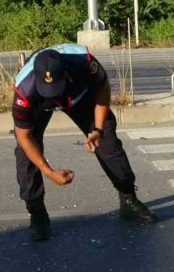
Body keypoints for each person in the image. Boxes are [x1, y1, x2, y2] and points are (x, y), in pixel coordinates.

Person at [12, 43, 157, 241]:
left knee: (107, 138)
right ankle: (37, 214)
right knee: (25, 155)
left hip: (78, 96)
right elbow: (24, 137)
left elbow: (103, 89)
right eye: (49, 91)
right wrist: (49, 172)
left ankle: (128, 199)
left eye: (56, 89)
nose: (54, 96)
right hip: (39, 105)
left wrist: (96, 129)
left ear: (66, 73)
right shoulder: (24, 90)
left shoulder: (84, 64)